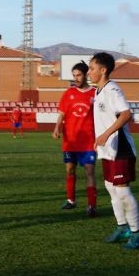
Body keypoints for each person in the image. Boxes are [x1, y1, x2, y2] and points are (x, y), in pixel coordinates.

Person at [89, 52, 139, 250]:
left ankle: (137, 232)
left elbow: (126, 114)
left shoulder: (112, 89)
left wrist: (105, 134)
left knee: (122, 191)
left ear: (103, 70)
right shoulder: (98, 92)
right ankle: (122, 227)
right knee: (111, 189)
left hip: (120, 148)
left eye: (92, 68)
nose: (89, 72)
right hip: (107, 149)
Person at [52, 61, 97, 217]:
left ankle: (92, 205)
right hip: (70, 140)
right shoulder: (68, 93)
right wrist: (57, 127)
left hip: (88, 141)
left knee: (89, 171)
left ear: (85, 75)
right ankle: (71, 200)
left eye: (78, 75)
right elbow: (62, 114)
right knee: (70, 170)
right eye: (74, 75)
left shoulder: (95, 94)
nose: (76, 78)